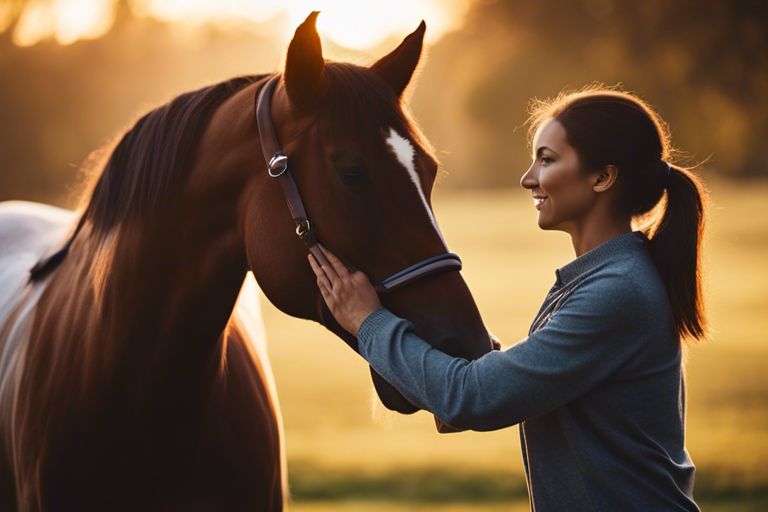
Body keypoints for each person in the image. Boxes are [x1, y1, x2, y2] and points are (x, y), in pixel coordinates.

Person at [308, 87, 707, 511]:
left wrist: (368, 321)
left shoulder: (617, 291)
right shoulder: (600, 278)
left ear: (602, 177)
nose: (528, 177)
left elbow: (474, 399)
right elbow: (504, 388)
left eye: (547, 159)